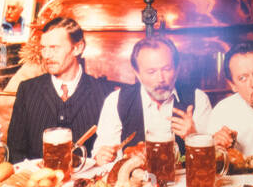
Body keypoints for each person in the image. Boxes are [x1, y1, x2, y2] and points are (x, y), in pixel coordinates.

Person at [5, 17, 114, 164]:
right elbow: (15, 154)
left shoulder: (104, 93)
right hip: (37, 178)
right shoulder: (27, 90)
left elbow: (110, 151)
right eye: (43, 48)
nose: (47, 55)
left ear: (77, 48)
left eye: (54, 48)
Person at [91, 35, 212, 166]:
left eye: (166, 69)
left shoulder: (198, 99)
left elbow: (211, 160)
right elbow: (102, 152)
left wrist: (194, 136)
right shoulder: (116, 101)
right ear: (137, 73)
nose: (160, 79)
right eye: (151, 72)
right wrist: (102, 156)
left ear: (177, 69)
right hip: (135, 178)